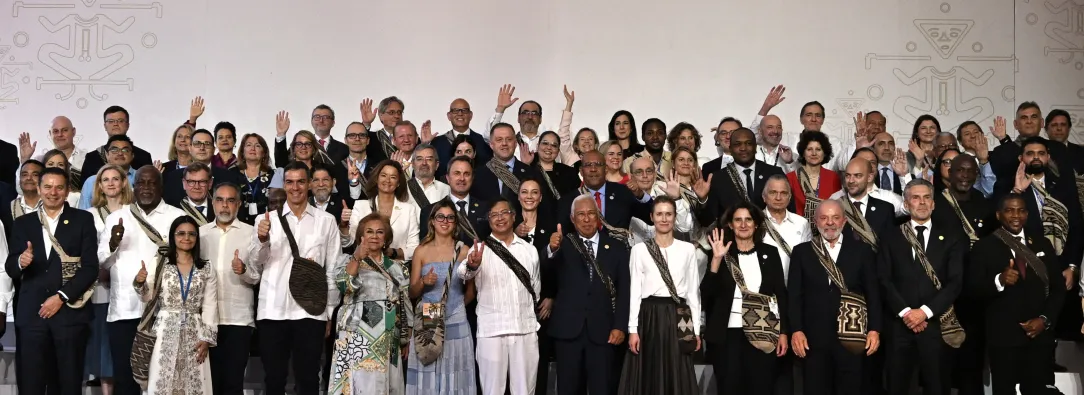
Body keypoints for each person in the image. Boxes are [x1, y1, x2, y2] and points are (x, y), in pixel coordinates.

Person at [5, 167, 98, 394]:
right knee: (31, 382)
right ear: (38, 189)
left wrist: (61, 297)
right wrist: (20, 261)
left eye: (59, 187)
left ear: (67, 192)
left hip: (69, 316)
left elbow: (90, 268)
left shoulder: (83, 220)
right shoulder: (24, 223)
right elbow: (9, 266)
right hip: (31, 318)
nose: (52, 192)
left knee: (67, 382)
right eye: (47, 187)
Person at [254, 161, 342, 395]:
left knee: (308, 379)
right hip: (272, 310)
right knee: (273, 380)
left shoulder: (327, 221)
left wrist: (329, 313)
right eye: (290, 182)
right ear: (284, 185)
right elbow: (257, 264)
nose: (295, 188)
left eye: (301, 181)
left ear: (310, 184)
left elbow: (333, 269)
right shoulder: (265, 219)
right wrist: (262, 239)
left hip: (310, 311)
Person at [97, 166, 185, 395]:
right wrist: (112, 244)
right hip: (124, 311)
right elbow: (103, 263)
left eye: (151, 183)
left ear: (161, 187)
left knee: (163, 378)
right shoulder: (117, 217)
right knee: (126, 380)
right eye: (141, 183)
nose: (146, 188)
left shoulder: (176, 217)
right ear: (133, 187)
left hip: (165, 312)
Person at [877, 179, 966, 395]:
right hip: (899, 326)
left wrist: (924, 313)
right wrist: (907, 313)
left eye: (927, 197)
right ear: (906, 204)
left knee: (937, 386)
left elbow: (955, 282)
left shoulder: (952, 236)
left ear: (934, 203)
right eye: (915, 198)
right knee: (898, 386)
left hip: (935, 326)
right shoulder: (890, 236)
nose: (922, 202)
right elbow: (883, 279)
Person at [971, 194, 1063, 394]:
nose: (1016, 215)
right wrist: (999, 281)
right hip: (1004, 338)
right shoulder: (983, 247)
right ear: (998, 214)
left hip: (1040, 336)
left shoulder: (1042, 244)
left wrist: (1045, 320)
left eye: (1021, 210)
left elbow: (1058, 289)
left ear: (1027, 214)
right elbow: (973, 291)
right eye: (1009, 210)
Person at [787, 200, 882, 395]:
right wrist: (796, 330)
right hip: (813, 338)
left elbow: (873, 293)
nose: (830, 223)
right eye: (824, 218)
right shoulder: (802, 252)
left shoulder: (862, 251)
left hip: (852, 336)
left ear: (844, 221)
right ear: (815, 222)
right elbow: (794, 296)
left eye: (835, 218)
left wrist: (874, 329)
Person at [545, 194, 631, 395]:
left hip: (604, 332)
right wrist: (551, 250)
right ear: (572, 219)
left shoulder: (617, 248)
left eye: (591, 213)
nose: (586, 219)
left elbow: (625, 290)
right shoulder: (562, 245)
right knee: (568, 388)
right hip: (568, 333)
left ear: (598, 217)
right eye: (580, 214)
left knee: (602, 388)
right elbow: (546, 276)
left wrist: (620, 326)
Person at [701, 201, 788, 395]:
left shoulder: (770, 253)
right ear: (730, 225)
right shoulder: (720, 253)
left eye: (748, 220)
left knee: (762, 386)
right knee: (729, 387)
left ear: (756, 224)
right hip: (727, 335)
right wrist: (716, 260)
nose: (743, 224)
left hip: (763, 332)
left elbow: (781, 294)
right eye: (738, 220)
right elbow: (706, 295)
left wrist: (783, 333)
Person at [458, 197, 542, 395]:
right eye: (494, 215)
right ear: (488, 220)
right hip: (492, 331)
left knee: (525, 391)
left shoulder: (529, 250)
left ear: (514, 216)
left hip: (525, 329)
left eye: (504, 213)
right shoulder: (480, 249)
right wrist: (473, 264)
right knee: (491, 390)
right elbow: (463, 273)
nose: (500, 218)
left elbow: (535, 289)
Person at [620, 196, 701, 395]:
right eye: (659, 214)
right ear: (651, 217)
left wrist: (696, 330)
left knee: (678, 368)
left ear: (674, 217)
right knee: (649, 370)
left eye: (668, 214)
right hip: (649, 316)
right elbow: (635, 293)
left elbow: (693, 293)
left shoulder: (688, 249)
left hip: (678, 315)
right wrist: (632, 329)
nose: (664, 219)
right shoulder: (639, 250)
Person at [329, 212, 412, 394]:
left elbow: (405, 303)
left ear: (386, 238)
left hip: (389, 334)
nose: (374, 236)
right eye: (369, 231)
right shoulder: (346, 261)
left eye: (380, 232)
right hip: (356, 335)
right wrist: (357, 258)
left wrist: (406, 337)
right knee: (358, 383)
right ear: (361, 236)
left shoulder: (398, 267)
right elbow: (345, 287)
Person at [135, 216, 218, 393]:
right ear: (172, 236)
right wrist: (140, 282)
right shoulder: (160, 263)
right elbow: (147, 297)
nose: (186, 238)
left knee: (194, 383)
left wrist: (206, 338)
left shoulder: (206, 267)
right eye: (181, 233)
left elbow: (210, 305)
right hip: (164, 330)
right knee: (162, 381)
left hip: (195, 331)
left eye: (191, 234)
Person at [406, 200, 477, 394]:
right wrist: (423, 282)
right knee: (430, 366)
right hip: (429, 313)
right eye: (440, 217)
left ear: (455, 223)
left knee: (456, 371)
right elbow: (412, 292)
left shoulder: (463, 250)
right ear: (432, 221)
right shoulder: (421, 250)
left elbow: (471, 291)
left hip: (457, 315)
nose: (445, 221)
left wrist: (454, 308)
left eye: (450, 217)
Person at [201, 182, 261, 395]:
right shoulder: (200, 234)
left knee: (233, 384)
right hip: (207, 320)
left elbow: (256, 277)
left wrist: (243, 270)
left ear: (239, 204)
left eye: (230, 200)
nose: (224, 206)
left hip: (238, 320)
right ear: (213, 202)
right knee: (210, 385)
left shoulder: (251, 233)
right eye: (219, 200)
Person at [84, 163, 133, 392]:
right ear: (100, 186)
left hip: (128, 286)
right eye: (106, 180)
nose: (111, 183)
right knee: (104, 343)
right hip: (101, 285)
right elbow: (86, 250)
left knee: (125, 343)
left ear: (124, 182)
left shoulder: (134, 212)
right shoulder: (90, 215)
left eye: (116, 178)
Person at [556, 150, 655, 247]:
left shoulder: (623, 192)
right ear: (581, 171)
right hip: (584, 258)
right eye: (588, 165)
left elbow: (651, 218)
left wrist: (640, 195)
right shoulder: (568, 201)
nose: (593, 169)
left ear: (606, 169)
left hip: (619, 256)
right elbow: (564, 237)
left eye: (598, 164)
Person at [698, 128, 789, 224]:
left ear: (755, 147)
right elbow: (706, 221)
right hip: (731, 237)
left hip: (770, 236)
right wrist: (703, 199)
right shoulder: (718, 178)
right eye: (737, 144)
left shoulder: (774, 173)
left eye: (748, 143)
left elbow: (790, 211)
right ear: (731, 149)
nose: (743, 148)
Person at [342, 160, 421, 261]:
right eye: (384, 175)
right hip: (364, 269)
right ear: (377, 179)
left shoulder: (409, 209)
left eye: (393, 177)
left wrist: (392, 253)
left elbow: (414, 249)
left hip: (397, 270)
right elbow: (348, 242)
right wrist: (343, 225)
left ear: (398, 183)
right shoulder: (361, 206)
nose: (387, 180)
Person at [163, 129, 245, 206]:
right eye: (197, 144)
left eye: (207, 144)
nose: (202, 148)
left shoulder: (230, 177)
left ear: (213, 150)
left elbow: (237, 209)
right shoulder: (172, 177)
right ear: (190, 148)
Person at [79, 106, 154, 183]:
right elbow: (84, 188)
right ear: (105, 126)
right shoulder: (92, 157)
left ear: (128, 125)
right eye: (111, 121)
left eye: (120, 121)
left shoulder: (143, 156)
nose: (115, 124)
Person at [471, 122, 542, 202]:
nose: (504, 143)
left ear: (515, 143)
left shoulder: (531, 172)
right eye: (499, 140)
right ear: (491, 145)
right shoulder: (478, 174)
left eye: (509, 139)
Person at [837, 158, 897, 251]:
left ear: (869, 177)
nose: (851, 181)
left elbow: (890, 248)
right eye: (848, 176)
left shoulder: (885, 209)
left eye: (857, 176)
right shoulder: (835, 207)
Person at [761, 175, 811, 282]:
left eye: (783, 193)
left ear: (789, 197)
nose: (778, 198)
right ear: (764, 196)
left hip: (795, 284)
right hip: (764, 285)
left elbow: (808, 259)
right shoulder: (755, 222)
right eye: (773, 192)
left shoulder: (802, 223)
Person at [431, 98, 492, 180]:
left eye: (464, 110)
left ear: (471, 115)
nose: (460, 113)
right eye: (455, 110)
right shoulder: (437, 143)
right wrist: (425, 143)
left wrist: (500, 110)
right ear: (449, 116)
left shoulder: (482, 141)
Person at [787, 131, 842, 219]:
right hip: (798, 228)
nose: (814, 153)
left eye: (818, 149)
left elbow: (838, 207)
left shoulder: (833, 177)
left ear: (824, 153)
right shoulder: (791, 178)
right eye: (809, 149)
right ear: (803, 153)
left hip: (827, 227)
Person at [273, 105, 349, 166]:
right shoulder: (299, 145)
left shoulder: (343, 149)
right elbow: (281, 164)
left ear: (333, 123)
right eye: (317, 117)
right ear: (312, 121)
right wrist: (281, 134)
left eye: (326, 117)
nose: (321, 120)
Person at [78, 135, 137, 210]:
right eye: (114, 150)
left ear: (132, 155)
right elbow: (83, 213)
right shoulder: (92, 181)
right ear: (107, 155)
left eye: (125, 150)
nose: (120, 153)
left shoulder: (141, 177)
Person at [234, 133, 275, 224]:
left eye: (257, 146)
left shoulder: (272, 175)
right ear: (242, 152)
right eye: (248, 145)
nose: (252, 148)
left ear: (264, 153)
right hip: (238, 225)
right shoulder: (232, 174)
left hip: (266, 224)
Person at [531, 131, 581, 203]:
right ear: (537, 146)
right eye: (545, 143)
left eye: (554, 145)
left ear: (558, 150)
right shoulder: (528, 170)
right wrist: (525, 164)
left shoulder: (569, 173)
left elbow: (578, 200)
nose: (549, 147)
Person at [406, 143, 450, 209]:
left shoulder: (447, 190)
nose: (424, 163)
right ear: (412, 164)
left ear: (436, 165)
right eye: (419, 159)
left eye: (429, 159)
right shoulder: (403, 189)